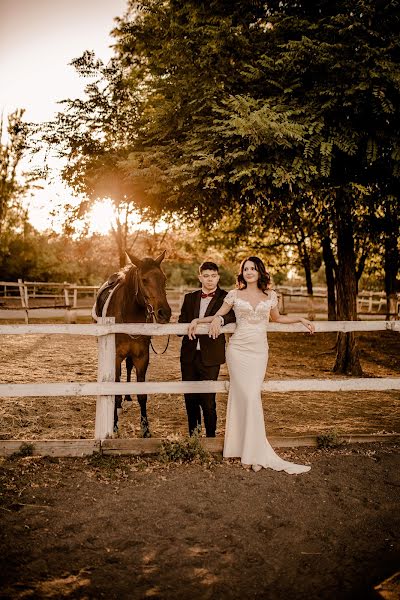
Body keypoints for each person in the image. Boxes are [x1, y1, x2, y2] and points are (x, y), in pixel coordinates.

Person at [188, 256, 315, 474]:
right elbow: (217, 315)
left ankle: (253, 451)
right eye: (245, 269)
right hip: (238, 351)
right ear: (242, 273)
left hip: (258, 352)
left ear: (259, 272)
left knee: (252, 396)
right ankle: (246, 451)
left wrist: (300, 319)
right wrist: (198, 321)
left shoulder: (270, 296)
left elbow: (277, 318)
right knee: (245, 396)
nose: (248, 272)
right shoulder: (234, 295)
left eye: (253, 269)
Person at [179, 261, 235, 437]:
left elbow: (231, 316)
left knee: (208, 399)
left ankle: (211, 436)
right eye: (206, 276)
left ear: (218, 277)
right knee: (190, 398)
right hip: (188, 355)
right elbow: (181, 323)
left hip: (211, 356)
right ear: (200, 277)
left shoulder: (226, 297)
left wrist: (220, 319)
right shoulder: (190, 298)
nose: (210, 280)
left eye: (213, 276)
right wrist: (184, 326)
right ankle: (194, 437)